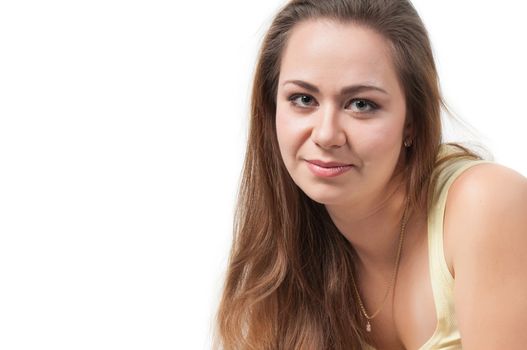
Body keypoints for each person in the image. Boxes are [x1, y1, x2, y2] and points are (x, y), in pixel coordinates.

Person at [213, 0, 527, 349]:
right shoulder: (286, 262)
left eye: (361, 104)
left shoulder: (484, 204)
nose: (326, 134)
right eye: (303, 99)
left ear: (412, 122)